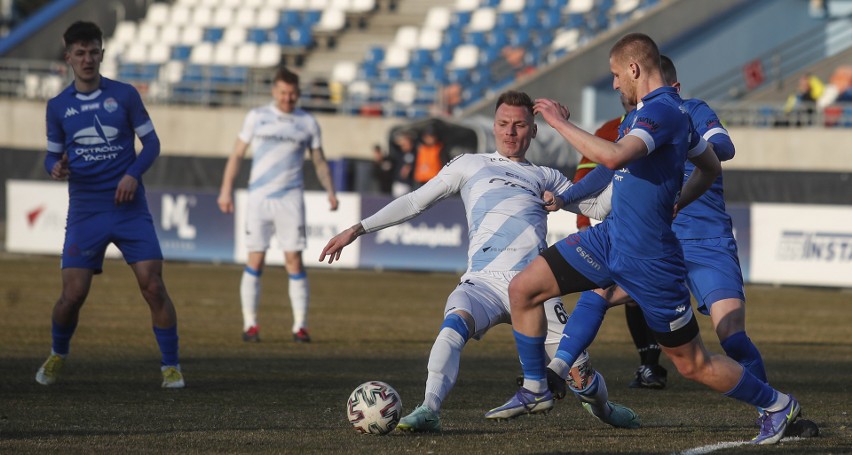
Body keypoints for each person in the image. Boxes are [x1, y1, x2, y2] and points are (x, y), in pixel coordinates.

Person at [489, 33, 801, 445]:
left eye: (617, 75)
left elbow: (619, 157)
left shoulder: (667, 113)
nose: (615, 84)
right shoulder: (641, 116)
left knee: (693, 364)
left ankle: (778, 405)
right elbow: (704, 169)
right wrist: (676, 199)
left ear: (634, 69)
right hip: (610, 239)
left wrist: (560, 123)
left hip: (651, 258)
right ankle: (537, 387)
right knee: (524, 288)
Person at [320, 90, 636, 432]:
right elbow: (415, 201)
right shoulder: (470, 164)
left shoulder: (547, 176)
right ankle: (428, 409)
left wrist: (630, 168)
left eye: (519, 125)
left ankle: (603, 408)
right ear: (494, 127)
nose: (510, 132)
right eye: (502, 124)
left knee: (579, 374)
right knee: (452, 326)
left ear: (533, 130)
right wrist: (357, 229)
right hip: (482, 283)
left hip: (534, 286)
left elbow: (599, 208)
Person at [37, 21, 184, 388]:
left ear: (102, 53)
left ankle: (171, 366)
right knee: (72, 295)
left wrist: (132, 174)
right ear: (68, 55)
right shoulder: (58, 107)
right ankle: (58, 353)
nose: (88, 59)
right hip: (86, 210)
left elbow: (151, 145)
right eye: (80, 53)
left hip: (130, 208)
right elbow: (51, 156)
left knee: (152, 285)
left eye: (94, 51)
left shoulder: (125, 95)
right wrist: (54, 167)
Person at [218, 67, 338, 344]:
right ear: (275, 91)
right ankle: (250, 325)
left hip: (290, 199)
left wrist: (330, 190)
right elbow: (237, 154)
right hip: (259, 198)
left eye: (293, 93)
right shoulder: (257, 117)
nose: (288, 98)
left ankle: (300, 326)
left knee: (293, 260)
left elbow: (319, 160)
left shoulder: (307, 122)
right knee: (255, 259)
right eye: (283, 93)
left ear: (298, 94)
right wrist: (225, 190)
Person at [573, 93, 636, 232]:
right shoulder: (608, 130)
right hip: (614, 223)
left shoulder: (663, 124)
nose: (630, 96)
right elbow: (584, 175)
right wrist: (583, 222)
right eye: (624, 92)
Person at [390, 130, 415, 198]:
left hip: (407, 184)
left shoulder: (413, 153)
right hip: (398, 183)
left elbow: (407, 169)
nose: (406, 145)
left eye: (408, 142)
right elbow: (392, 143)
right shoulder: (399, 153)